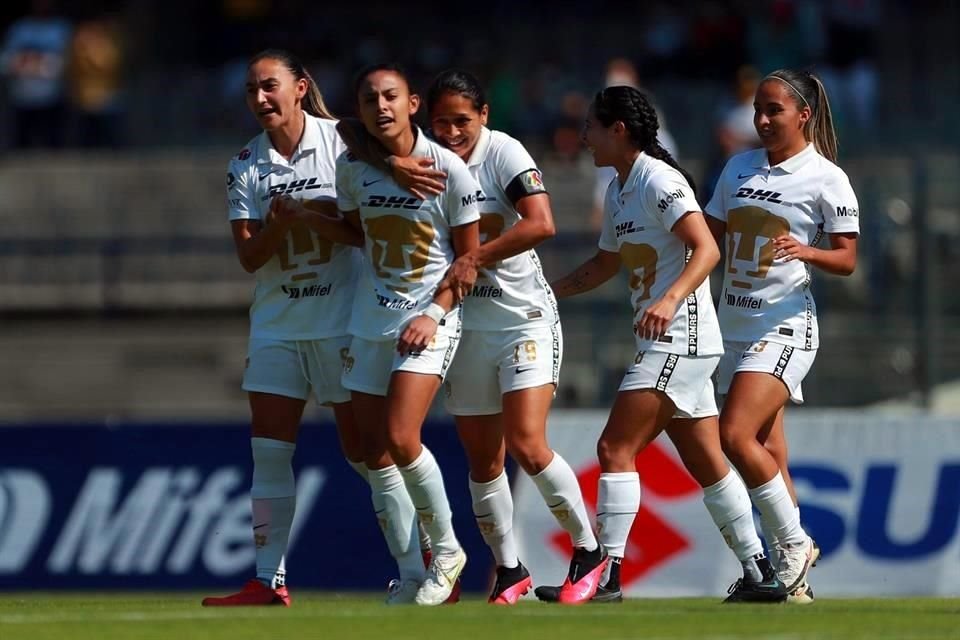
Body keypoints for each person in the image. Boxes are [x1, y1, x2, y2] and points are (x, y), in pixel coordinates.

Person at [200, 50, 435, 608]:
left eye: (270, 86)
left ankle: (418, 569)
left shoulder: (342, 143)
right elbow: (249, 258)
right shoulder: (244, 165)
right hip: (278, 325)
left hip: (343, 321)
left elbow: (365, 225)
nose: (260, 98)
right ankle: (268, 580)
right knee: (269, 451)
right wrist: (280, 226)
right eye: (252, 90)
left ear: (300, 88)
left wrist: (389, 168)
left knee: (367, 453)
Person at [539, 85, 783, 604]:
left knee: (614, 447)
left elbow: (708, 247)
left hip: (681, 338)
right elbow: (606, 263)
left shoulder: (657, 177)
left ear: (618, 131)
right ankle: (759, 570)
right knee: (708, 464)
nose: (584, 137)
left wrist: (670, 299)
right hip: (674, 341)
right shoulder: (619, 188)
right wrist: (549, 292)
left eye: (592, 127)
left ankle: (608, 573)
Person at [704, 68, 859, 603]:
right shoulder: (737, 167)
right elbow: (708, 243)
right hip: (734, 327)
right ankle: (792, 582)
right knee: (770, 449)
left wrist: (808, 250)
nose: (763, 120)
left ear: (804, 115)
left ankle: (793, 544)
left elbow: (847, 259)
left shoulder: (825, 177)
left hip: (786, 325)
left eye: (774, 110)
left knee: (734, 435)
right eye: (757, 110)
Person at [336, 63, 481, 606]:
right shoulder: (354, 169)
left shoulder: (449, 170)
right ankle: (410, 573)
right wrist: (304, 216)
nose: (381, 106)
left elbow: (469, 260)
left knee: (401, 437)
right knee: (374, 454)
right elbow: (356, 229)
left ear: (413, 103)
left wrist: (434, 313)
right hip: (369, 318)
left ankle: (446, 551)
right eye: (370, 97)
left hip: (427, 317)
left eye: (391, 95)